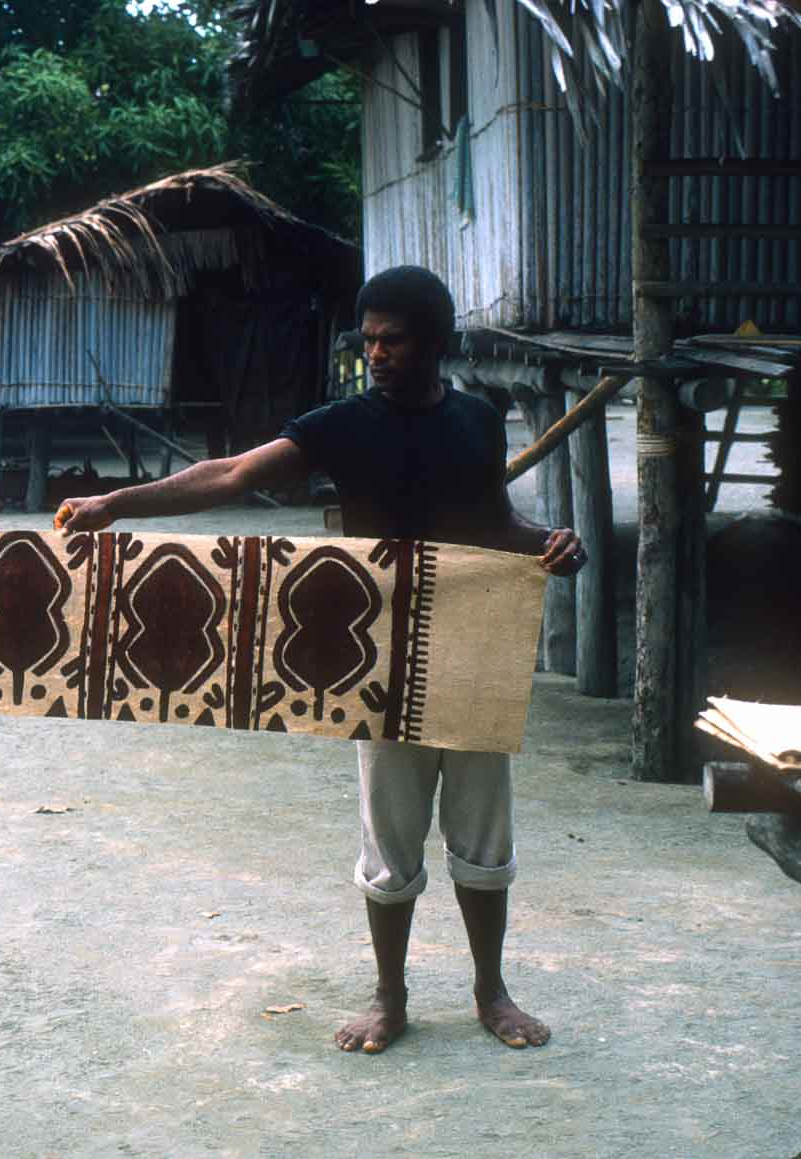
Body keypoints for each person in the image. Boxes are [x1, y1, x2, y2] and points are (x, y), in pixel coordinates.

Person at [56, 265, 585, 1055]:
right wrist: (115, 503)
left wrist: (547, 543)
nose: (376, 354)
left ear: (433, 344)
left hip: (472, 642)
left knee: (483, 831)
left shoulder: (478, 419)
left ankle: (491, 990)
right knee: (390, 831)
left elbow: (492, 524)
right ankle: (388, 995)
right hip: (378, 649)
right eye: (367, 340)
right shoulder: (344, 424)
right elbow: (231, 473)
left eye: (392, 341)